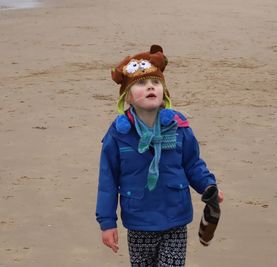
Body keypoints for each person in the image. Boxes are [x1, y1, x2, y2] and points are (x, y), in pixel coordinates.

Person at [95, 45, 224, 266]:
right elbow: (108, 181)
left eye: (156, 83)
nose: (150, 87)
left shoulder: (178, 126)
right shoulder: (119, 133)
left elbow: (192, 164)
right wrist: (107, 222)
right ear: (128, 98)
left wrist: (207, 185)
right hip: (138, 220)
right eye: (141, 84)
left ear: (164, 91)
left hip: (174, 218)